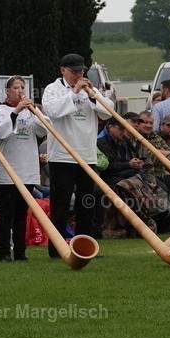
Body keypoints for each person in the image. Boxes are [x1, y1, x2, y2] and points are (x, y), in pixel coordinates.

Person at [42, 53, 110, 254]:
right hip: (62, 156)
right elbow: (53, 111)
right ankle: (57, 249)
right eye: (74, 71)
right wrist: (74, 92)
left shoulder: (91, 90)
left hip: (87, 155)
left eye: (81, 71)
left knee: (86, 205)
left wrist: (91, 96)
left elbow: (108, 112)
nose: (79, 75)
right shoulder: (52, 89)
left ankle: (85, 247)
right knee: (61, 205)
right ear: (63, 70)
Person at [0, 75, 45, 262]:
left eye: (22, 87)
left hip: (27, 170)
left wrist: (35, 111)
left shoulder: (31, 111)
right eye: (16, 87)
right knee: (7, 213)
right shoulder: (0, 111)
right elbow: (0, 132)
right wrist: (16, 112)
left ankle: (20, 252)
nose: (20, 91)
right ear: (7, 91)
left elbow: (44, 130)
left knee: (22, 214)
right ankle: (4, 252)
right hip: (8, 171)